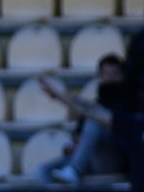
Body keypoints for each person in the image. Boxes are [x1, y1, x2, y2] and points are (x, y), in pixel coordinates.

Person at [36, 55, 136, 184]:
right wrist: (72, 146)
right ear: (100, 77)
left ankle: (74, 170)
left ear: (123, 76)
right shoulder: (95, 104)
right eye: (106, 74)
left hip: (115, 160)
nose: (110, 78)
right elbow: (78, 135)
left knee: (95, 121)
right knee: (43, 170)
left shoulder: (130, 104)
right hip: (90, 160)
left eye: (115, 73)